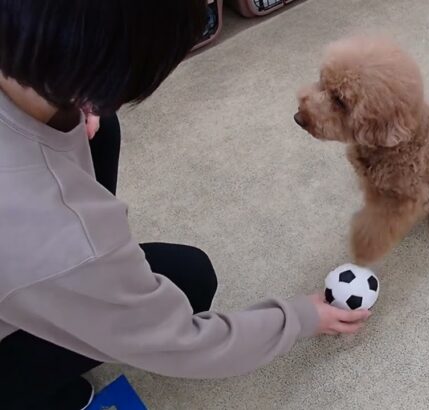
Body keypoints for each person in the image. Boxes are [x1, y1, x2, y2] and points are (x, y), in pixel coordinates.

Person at [0, 1, 370, 409]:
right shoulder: (64, 234)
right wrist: (301, 317)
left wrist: (70, 105)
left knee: (101, 132)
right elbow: (185, 345)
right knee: (190, 279)